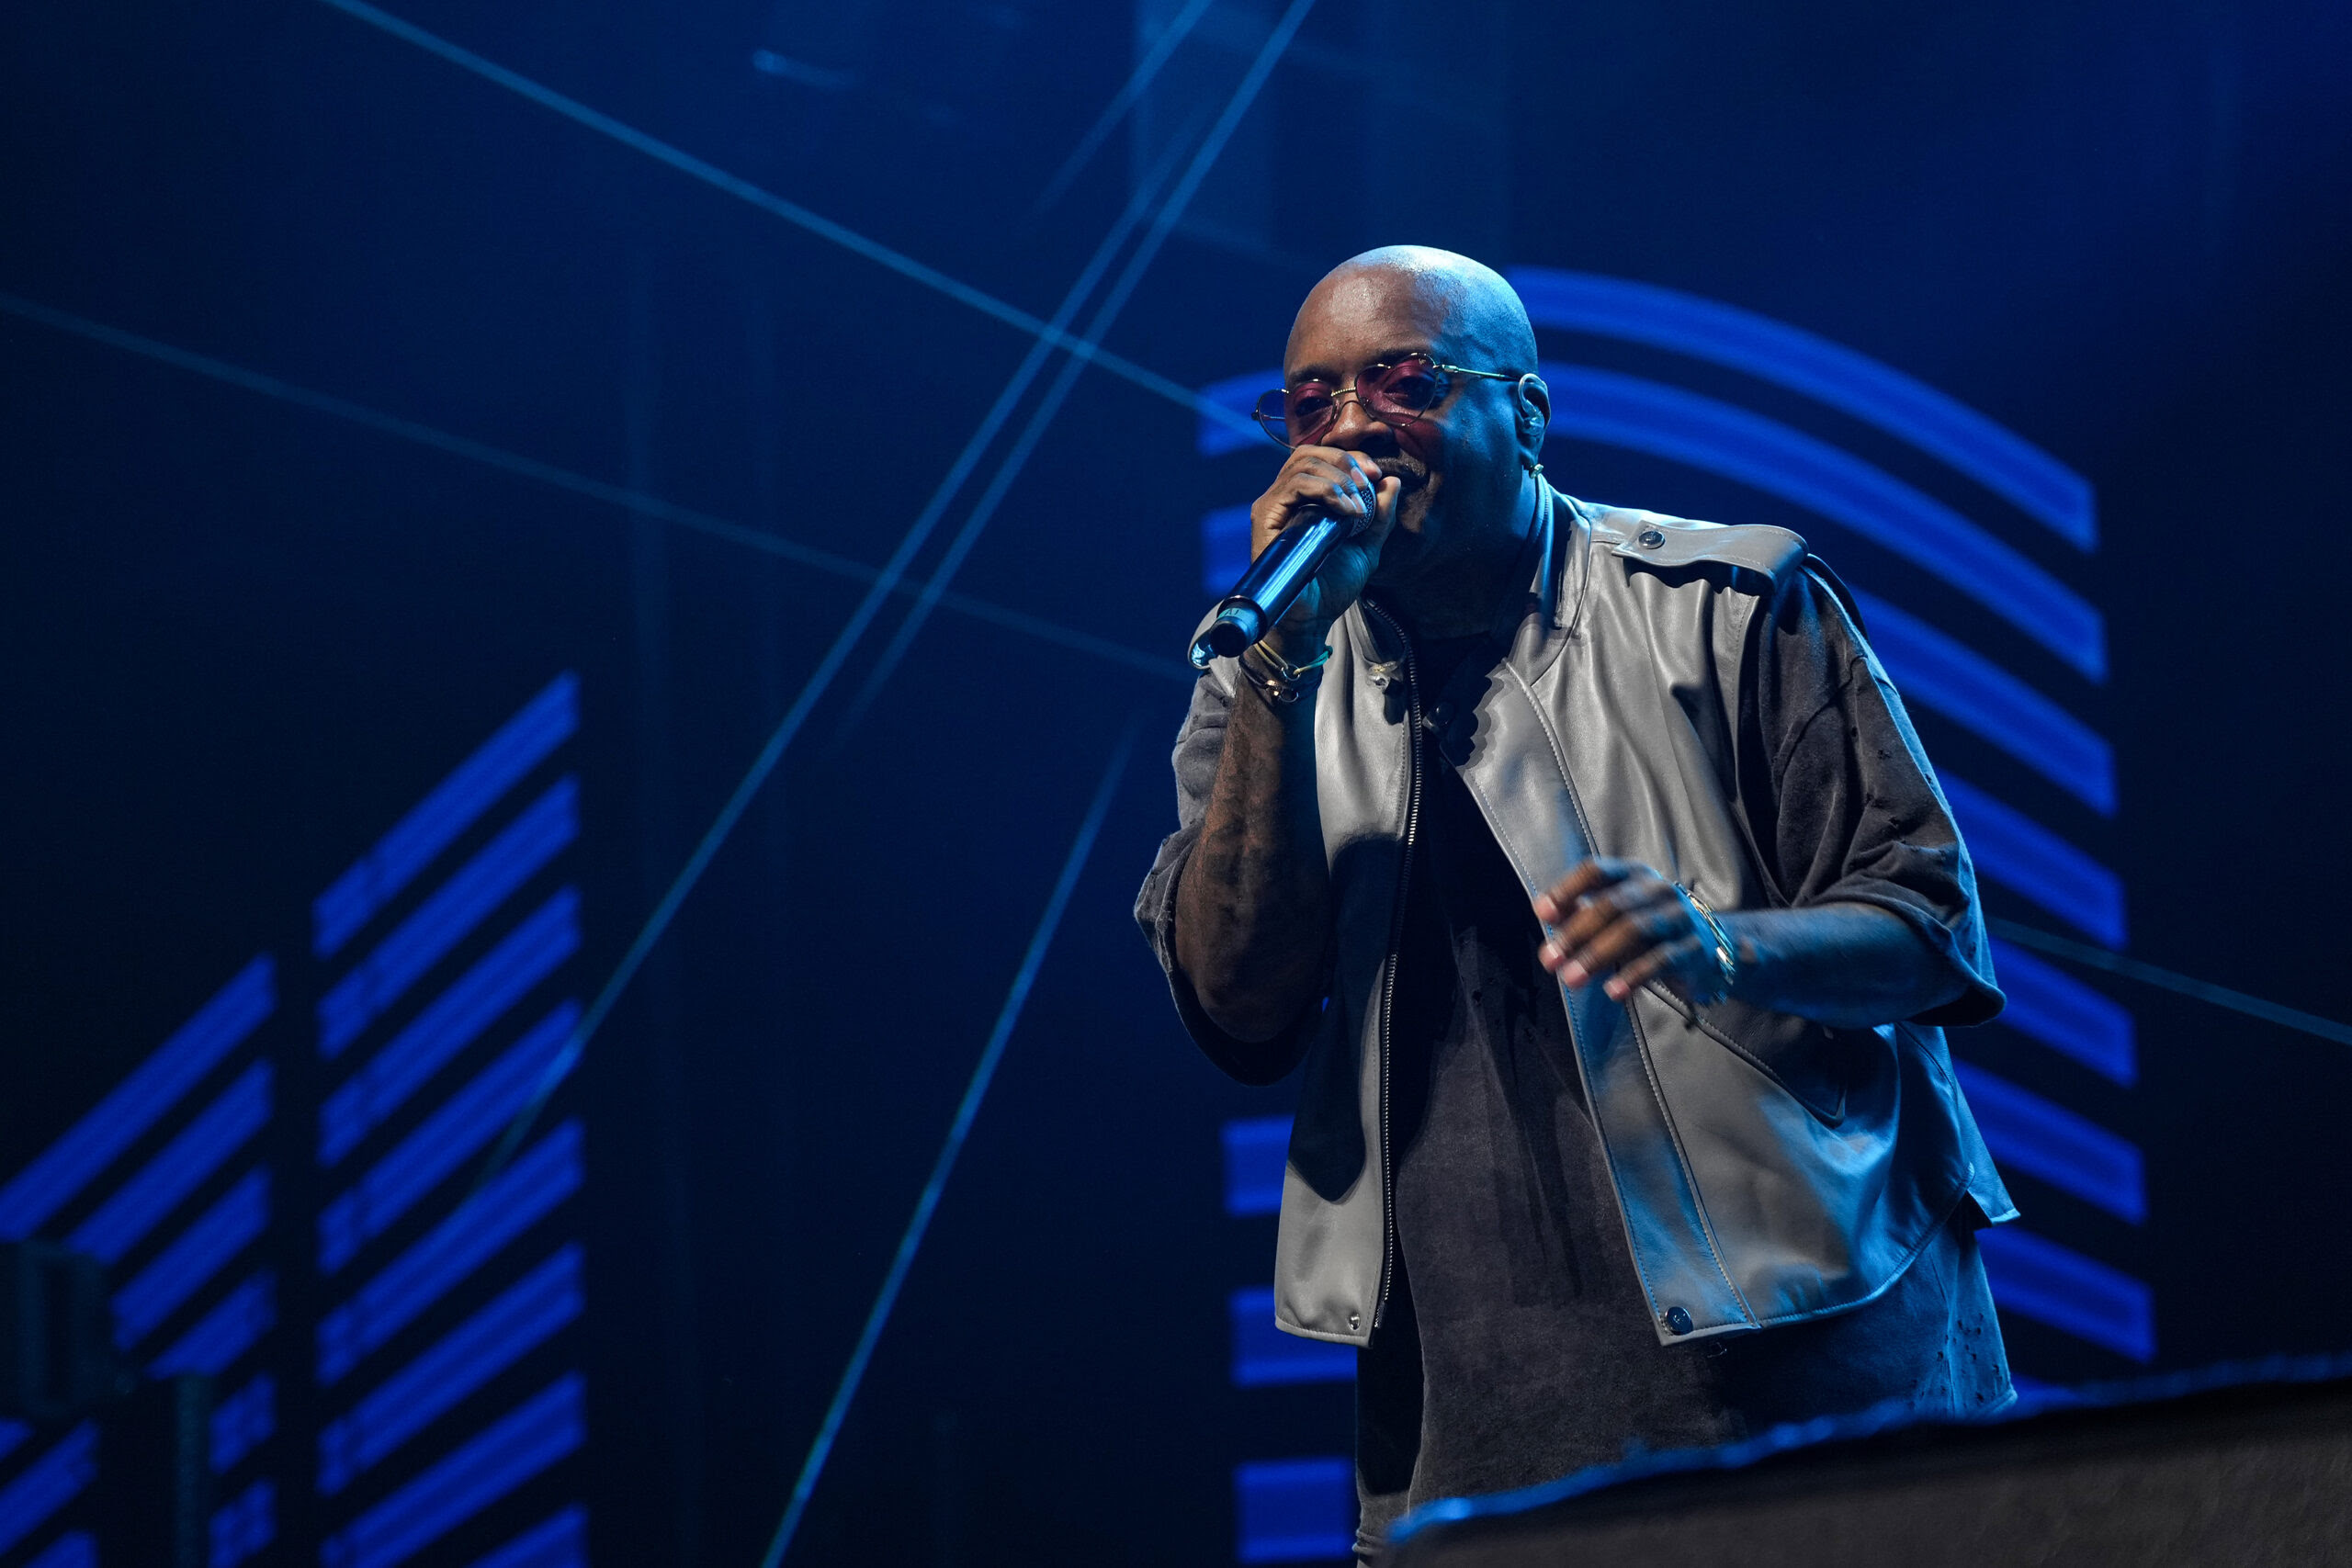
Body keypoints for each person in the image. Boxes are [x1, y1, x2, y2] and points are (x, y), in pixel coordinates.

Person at [1134, 247, 2018, 1562]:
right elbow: (1238, 1007)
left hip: (1805, 1366)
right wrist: (1278, 668)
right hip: (1465, 1422)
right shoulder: (1267, 668)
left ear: (1530, 416)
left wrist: (1724, 947)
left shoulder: (1727, 605)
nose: (1353, 427)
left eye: (1405, 381)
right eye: (1312, 403)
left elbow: (1930, 927)